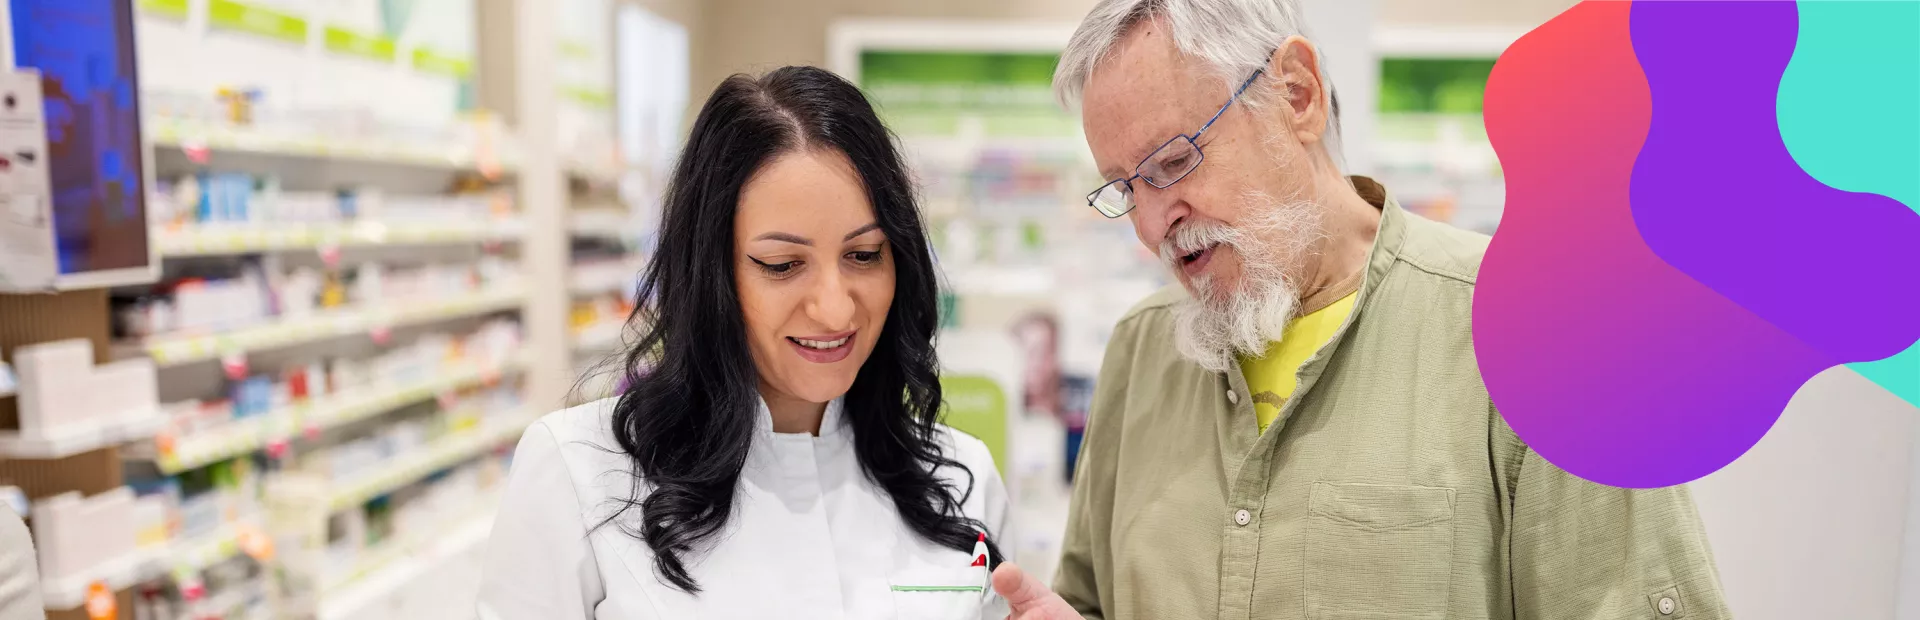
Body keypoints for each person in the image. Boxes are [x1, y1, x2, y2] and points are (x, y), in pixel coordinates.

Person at [988, 1, 1732, 618]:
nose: (1153, 226)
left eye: (1173, 162)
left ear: (1297, 95)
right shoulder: (1140, 353)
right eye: (1124, 188)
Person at [478, 66, 1011, 619]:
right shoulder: (578, 471)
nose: (834, 308)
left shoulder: (959, 478)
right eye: (782, 265)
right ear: (711, 272)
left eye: (864, 254)